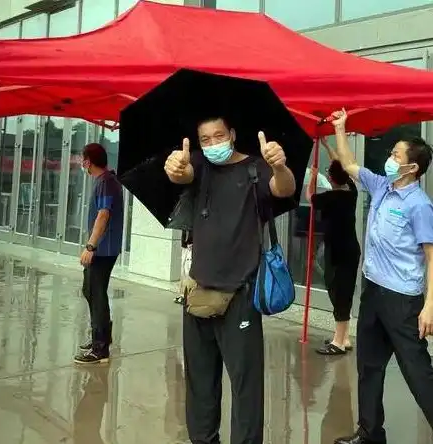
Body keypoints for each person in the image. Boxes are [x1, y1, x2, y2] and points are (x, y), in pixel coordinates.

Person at [164, 116, 296, 444]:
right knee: (200, 384)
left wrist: (279, 166)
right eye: (205, 139)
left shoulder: (255, 168)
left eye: (218, 136)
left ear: (233, 134)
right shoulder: (198, 165)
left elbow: (284, 189)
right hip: (198, 292)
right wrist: (175, 169)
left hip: (241, 293)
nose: (212, 144)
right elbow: (183, 174)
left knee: (245, 387)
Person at [330, 109, 433, 444]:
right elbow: (348, 164)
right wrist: (340, 129)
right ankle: (370, 433)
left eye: (395, 155)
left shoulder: (419, 205)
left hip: (403, 301)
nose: (389, 159)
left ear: (412, 167)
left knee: (418, 373)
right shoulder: (381, 187)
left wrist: (429, 307)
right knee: (369, 367)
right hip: (373, 292)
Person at [306, 138, 361, 355]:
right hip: (349, 250)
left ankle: (338, 342)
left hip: (337, 253)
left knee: (338, 293)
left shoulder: (330, 197)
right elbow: (340, 164)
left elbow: (310, 196)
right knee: (343, 293)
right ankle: (344, 337)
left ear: (330, 178)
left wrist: (312, 177)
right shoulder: (351, 192)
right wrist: (327, 146)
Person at [74, 143, 124, 365]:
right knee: (91, 290)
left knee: (96, 293)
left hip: (103, 249)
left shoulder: (105, 182)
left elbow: (103, 215)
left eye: (82, 159)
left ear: (88, 162)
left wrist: (90, 246)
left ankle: (100, 348)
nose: (80, 163)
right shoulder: (107, 181)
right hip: (104, 248)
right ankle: (102, 337)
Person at [175, 229, 193, 305]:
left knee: (188, 271)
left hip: (191, 247)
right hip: (185, 247)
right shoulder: (185, 222)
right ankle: (182, 295)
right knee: (183, 271)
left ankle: (187, 296)